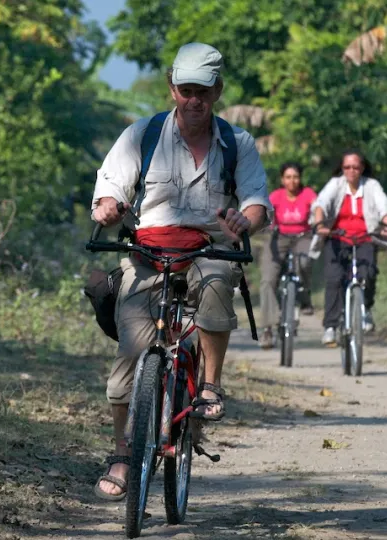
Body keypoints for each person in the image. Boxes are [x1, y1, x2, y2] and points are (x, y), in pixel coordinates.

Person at [89, 42, 271, 500]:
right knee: (130, 353)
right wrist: (108, 207)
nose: (194, 100)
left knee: (214, 285)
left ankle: (210, 385)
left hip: (209, 247)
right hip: (148, 251)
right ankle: (123, 456)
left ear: (218, 91)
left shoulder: (237, 143)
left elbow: (256, 204)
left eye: (203, 92)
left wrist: (242, 221)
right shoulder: (141, 136)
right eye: (186, 90)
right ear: (173, 89)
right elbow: (110, 187)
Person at [311, 150, 387, 346]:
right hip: (338, 237)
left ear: (362, 168)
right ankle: (330, 327)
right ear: (342, 168)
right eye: (347, 167)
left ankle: (365, 310)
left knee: (369, 273)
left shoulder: (371, 185)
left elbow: (384, 207)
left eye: (355, 167)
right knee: (334, 279)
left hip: (365, 237)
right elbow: (321, 203)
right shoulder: (336, 184)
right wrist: (320, 225)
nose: (351, 171)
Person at [258, 162, 317, 349]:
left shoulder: (308, 194)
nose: (292, 181)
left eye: (296, 177)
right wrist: (263, 223)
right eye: (288, 177)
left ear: (300, 179)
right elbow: (266, 214)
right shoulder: (276, 196)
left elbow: (318, 209)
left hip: (303, 237)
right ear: (283, 180)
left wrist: (320, 221)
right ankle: (267, 328)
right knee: (268, 280)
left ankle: (305, 296)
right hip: (279, 238)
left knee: (305, 262)